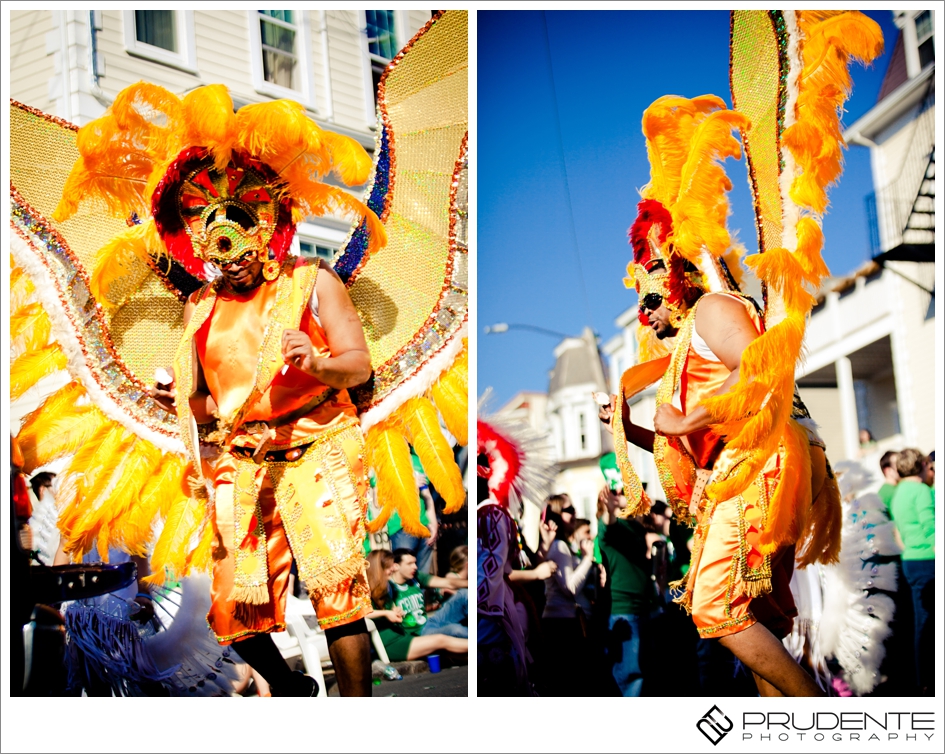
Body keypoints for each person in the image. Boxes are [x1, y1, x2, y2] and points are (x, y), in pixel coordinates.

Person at [599, 93, 853, 697]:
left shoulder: (714, 307)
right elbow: (691, 428)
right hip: (751, 465)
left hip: (761, 465)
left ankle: (820, 715)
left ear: (677, 275)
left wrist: (687, 417)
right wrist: (637, 430)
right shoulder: (688, 338)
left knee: (717, 609)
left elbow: (759, 369)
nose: (646, 313)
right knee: (759, 619)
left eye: (652, 296)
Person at [595, 486, 658, 696]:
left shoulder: (637, 528)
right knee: (631, 675)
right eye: (622, 493)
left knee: (645, 673)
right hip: (624, 611)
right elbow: (607, 527)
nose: (629, 496)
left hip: (644, 609)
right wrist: (611, 510)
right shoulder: (613, 527)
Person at [366, 549, 468, 662]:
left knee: (452, 652)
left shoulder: (385, 588)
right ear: (379, 568)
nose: (393, 569)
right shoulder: (366, 590)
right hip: (391, 643)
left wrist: (396, 612)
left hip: (403, 636)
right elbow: (359, 613)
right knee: (442, 639)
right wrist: (386, 613)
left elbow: (393, 610)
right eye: (390, 566)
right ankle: (483, 644)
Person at [889, 448, 935, 695]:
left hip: (910, 560)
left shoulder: (899, 492)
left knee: (922, 623)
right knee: (931, 623)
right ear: (922, 465)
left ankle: (923, 679)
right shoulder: (921, 491)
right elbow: (931, 527)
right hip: (929, 559)